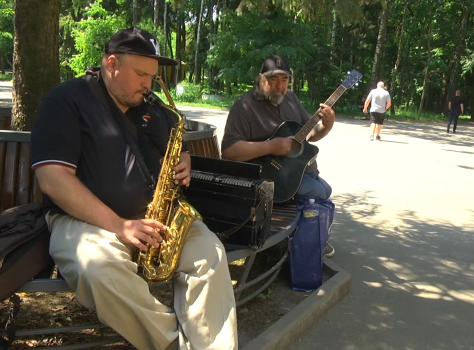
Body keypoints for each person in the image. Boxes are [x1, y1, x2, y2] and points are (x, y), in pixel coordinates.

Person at [30, 27, 238, 350]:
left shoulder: (151, 106)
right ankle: (172, 344)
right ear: (111, 64)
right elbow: (52, 179)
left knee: (210, 255)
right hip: (86, 223)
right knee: (99, 271)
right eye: (141, 74)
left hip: (156, 219)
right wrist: (120, 225)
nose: (148, 84)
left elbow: (175, 145)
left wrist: (184, 160)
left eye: (153, 77)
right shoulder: (66, 101)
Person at [220, 54, 336, 258]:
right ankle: (303, 243)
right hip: (272, 179)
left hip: (299, 171)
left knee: (325, 189)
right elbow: (229, 150)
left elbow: (308, 134)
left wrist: (327, 126)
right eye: (273, 79)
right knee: (320, 192)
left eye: (284, 80)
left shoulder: (290, 98)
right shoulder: (244, 105)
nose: (279, 86)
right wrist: (271, 146)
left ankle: (311, 240)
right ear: (261, 78)